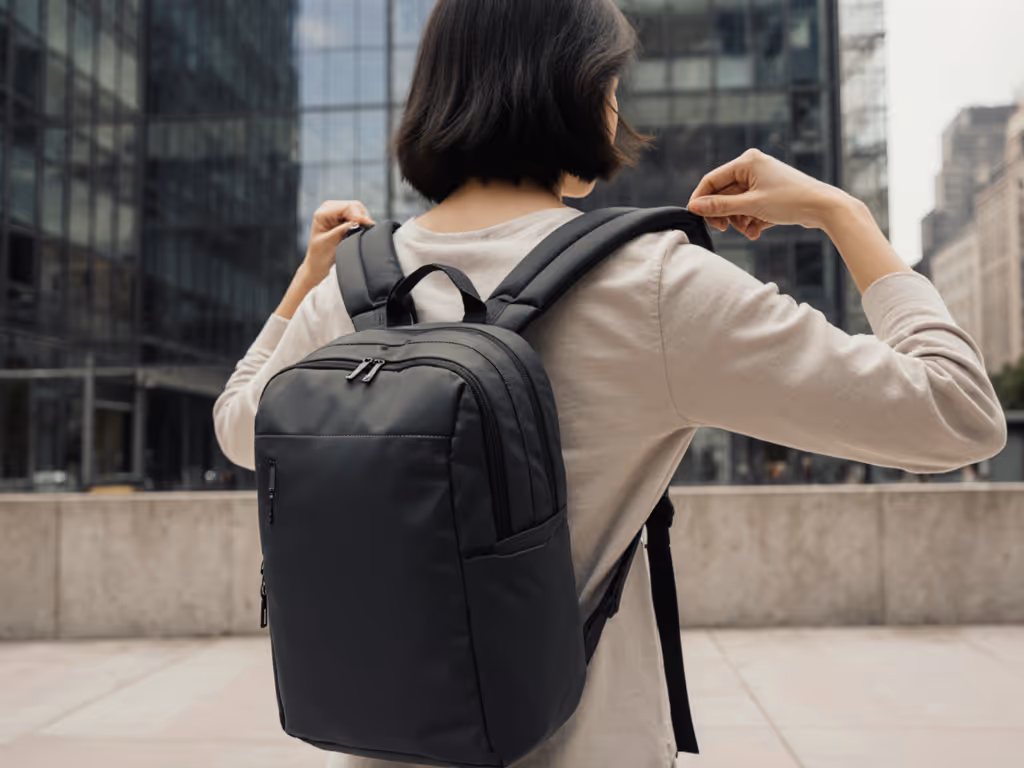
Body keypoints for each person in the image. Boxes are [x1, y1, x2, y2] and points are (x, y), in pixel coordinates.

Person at [213, 1, 1006, 766]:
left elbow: (240, 427)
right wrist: (843, 214)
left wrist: (307, 283)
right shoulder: (652, 283)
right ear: (579, 88)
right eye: (612, 84)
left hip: (377, 744)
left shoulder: (351, 288)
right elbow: (959, 413)